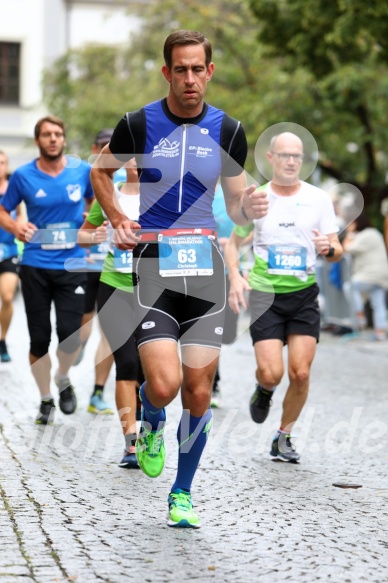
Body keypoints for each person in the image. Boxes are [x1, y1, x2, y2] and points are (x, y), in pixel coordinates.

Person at [90, 30, 268, 528]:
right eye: (180, 69)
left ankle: (182, 493)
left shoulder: (229, 129)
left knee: (197, 390)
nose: (190, 79)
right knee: (164, 387)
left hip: (205, 271)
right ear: (167, 72)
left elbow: (234, 202)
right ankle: (151, 416)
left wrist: (247, 206)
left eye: (198, 69)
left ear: (209, 72)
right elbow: (100, 173)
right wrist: (118, 218)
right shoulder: (139, 123)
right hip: (152, 266)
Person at [225, 131, 342, 463]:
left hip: (303, 294)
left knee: (301, 373)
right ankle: (264, 390)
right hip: (265, 296)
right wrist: (235, 277)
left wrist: (329, 248)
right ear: (271, 158)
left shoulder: (319, 199)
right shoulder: (257, 198)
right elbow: (233, 243)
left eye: (297, 156)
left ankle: (283, 436)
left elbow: (336, 249)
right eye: (285, 155)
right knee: (271, 373)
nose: (291, 161)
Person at [0, 116, 94, 424]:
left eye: (57, 134)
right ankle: (45, 398)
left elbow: (99, 202)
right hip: (36, 266)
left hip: (73, 263)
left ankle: (63, 377)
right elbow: (3, 209)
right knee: (39, 339)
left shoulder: (82, 171)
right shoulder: (23, 176)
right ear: (38, 140)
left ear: (64, 139)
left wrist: (91, 228)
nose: (53, 139)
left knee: (70, 336)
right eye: (46, 134)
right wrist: (16, 226)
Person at [77, 157, 143, 468]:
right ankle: (130, 444)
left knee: (152, 373)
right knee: (127, 363)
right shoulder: (109, 194)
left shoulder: (165, 196)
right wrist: (96, 237)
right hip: (114, 287)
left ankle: (150, 427)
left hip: (155, 293)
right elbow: (83, 235)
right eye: (133, 154)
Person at [73, 129, 116, 415]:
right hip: (87, 266)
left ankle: (98, 392)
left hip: (115, 269)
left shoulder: (126, 182)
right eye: (102, 147)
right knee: (84, 326)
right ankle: (77, 347)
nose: (106, 153)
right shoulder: (86, 179)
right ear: (95, 148)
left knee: (110, 334)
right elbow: (79, 225)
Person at [342, 213, 388, 341]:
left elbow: (347, 248)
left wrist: (349, 234)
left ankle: (359, 314)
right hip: (382, 274)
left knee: (349, 287)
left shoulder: (364, 235)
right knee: (378, 303)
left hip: (370, 274)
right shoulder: (374, 233)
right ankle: (380, 332)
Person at [0, 151, 23, 362]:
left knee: (7, 296)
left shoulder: (12, 189)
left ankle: (2, 340)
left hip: (8, 250)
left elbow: (21, 216)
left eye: (2, 163)